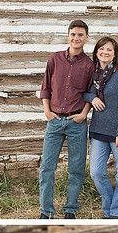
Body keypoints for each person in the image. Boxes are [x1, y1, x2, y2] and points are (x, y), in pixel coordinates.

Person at [38, 20, 94, 219]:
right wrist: (47, 111)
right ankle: (46, 211)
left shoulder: (89, 65)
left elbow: (90, 92)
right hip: (54, 121)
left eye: (80, 35)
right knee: (47, 168)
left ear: (86, 38)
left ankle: (70, 209)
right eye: (73, 34)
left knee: (76, 168)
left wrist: (83, 114)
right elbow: (45, 87)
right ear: (68, 35)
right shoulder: (54, 59)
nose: (76, 38)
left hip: (76, 122)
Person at [84, 37, 118, 219]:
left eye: (109, 50)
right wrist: (92, 98)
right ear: (96, 51)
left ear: (115, 54)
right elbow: (85, 92)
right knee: (96, 172)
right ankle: (111, 206)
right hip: (98, 130)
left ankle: (117, 212)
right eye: (101, 49)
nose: (105, 52)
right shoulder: (94, 73)